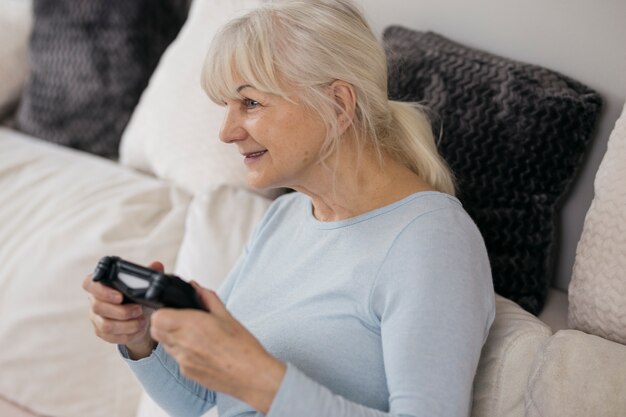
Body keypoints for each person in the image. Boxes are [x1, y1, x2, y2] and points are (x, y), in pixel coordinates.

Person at [83, 0, 495, 416]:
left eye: (251, 103)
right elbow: (213, 403)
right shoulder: (286, 217)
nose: (226, 132)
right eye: (226, 106)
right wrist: (140, 340)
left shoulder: (432, 240)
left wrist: (257, 376)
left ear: (338, 104)